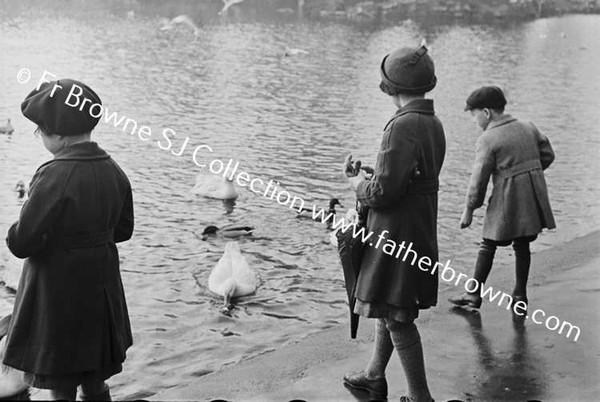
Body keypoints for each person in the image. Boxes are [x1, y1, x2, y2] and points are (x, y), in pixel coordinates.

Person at [3, 79, 134, 401]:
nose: (40, 137)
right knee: (95, 378)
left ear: (56, 134)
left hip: (57, 295)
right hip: (101, 289)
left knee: (60, 384)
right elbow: (124, 231)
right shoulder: (113, 169)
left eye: (40, 131)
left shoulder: (53, 174)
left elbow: (22, 242)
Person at [344, 45, 445, 402]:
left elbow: (384, 193)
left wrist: (359, 185)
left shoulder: (402, 125)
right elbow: (411, 178)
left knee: (398, 316)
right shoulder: (431, 121)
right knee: (388, 306)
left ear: (390, 85)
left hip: (394, 232)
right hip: (417, 226)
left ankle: (421, 397)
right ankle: (374, 375)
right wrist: (379, 177)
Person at [449, 86, 555, 310]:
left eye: (474, 114)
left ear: (486, 112)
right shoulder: (528, 127)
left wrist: (469, 210)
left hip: (507, 196)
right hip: (532, 194)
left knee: (488, 243)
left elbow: (478, 181)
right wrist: (529, 174)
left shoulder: (488, 139)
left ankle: (473, 293)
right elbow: (548, 155)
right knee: (522, 244)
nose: (475, 120)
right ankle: (519, 296)